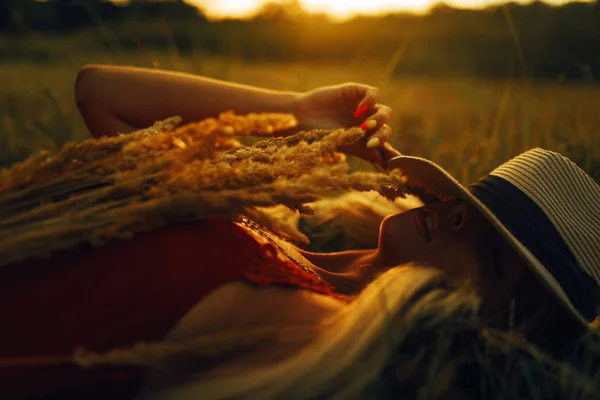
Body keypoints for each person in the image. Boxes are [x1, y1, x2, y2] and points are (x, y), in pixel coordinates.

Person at [0, 65, 598, 399]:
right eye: (476, 203)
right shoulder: (285, 232)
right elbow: (101, 92)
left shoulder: (319, 343)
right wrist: (298, 111)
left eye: (493, 254)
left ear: (495, 323)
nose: (461, 216)